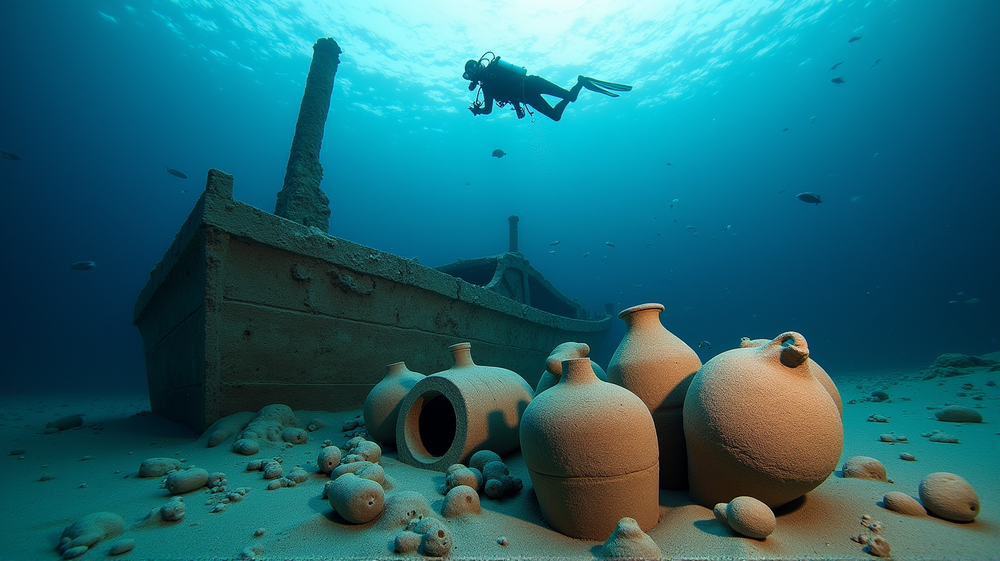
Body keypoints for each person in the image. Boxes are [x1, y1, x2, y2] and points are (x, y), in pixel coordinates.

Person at [463, 52, 631, 122]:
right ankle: (581, 82)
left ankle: (582, 82)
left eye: (470, 72)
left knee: (568, 100)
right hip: (527, 95)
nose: (471, 76)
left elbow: (489, 109)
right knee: (557, 115)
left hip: (530, 84)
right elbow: (496, 103)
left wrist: (478, 111)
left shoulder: (491, 75)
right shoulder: (486, 86)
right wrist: (480, 111)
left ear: (476, 69)